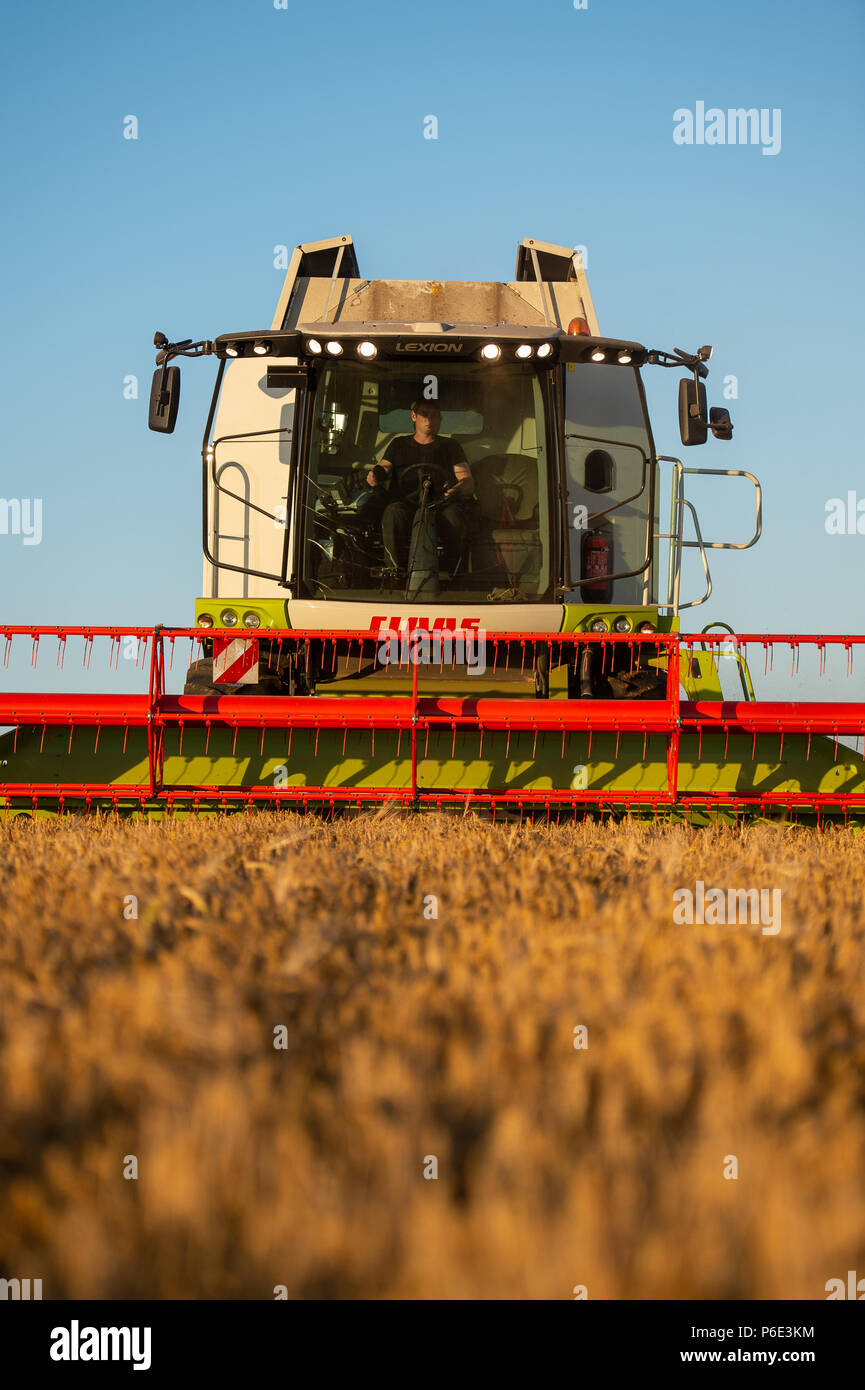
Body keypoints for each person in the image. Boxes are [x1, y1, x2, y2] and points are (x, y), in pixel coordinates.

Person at [365, 401, 475, 594]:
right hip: (406, 506)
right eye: (424, 414)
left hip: (441, 505)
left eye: (434, 415)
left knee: (455, 517)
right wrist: (375, 475)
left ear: (440, 419)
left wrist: (454, 491)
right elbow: (384, 468)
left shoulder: (450, 446)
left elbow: (466, 480)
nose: (429, 419)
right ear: (414, 416)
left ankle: (455, 576)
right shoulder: (398, 444)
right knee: (392, 513)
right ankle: (394, 574)